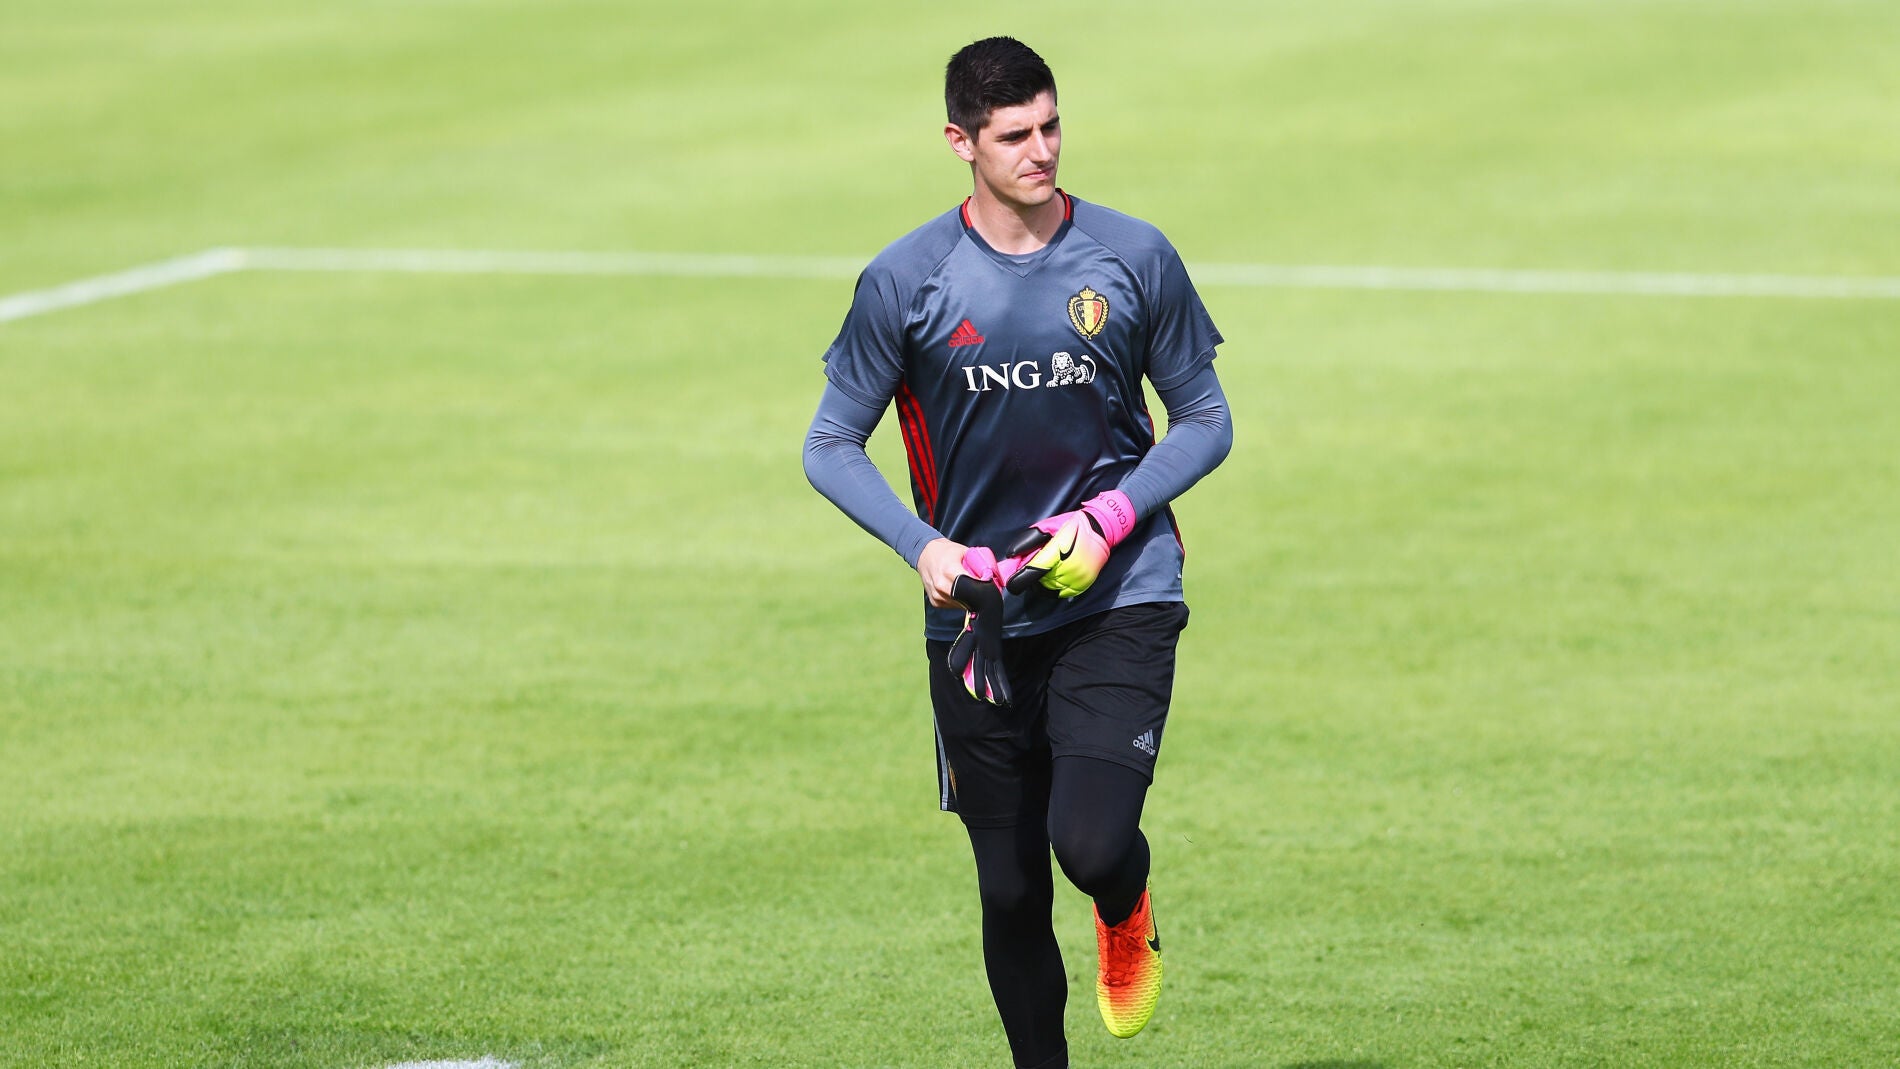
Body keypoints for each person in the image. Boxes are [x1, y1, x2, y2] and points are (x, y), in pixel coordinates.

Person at [802, 36, 1233, 1069]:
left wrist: (1111, 518)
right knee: (1007, 887)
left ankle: (1125, 903)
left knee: (1085, 844)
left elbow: (1205, 420)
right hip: (977, 624)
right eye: (1013, 136)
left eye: (1050, 126)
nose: (1040, 151)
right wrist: (924, 548)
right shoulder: (904, 282)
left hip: (1117, 592)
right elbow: (828, 445)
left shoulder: (1132, 256)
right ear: (960, 142)